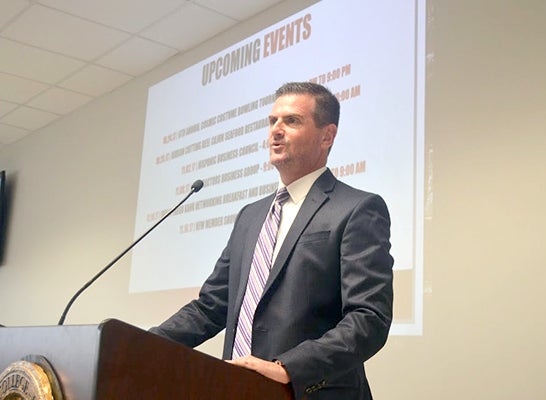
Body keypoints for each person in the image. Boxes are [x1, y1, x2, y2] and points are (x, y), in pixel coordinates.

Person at [150, 82, 394, 399]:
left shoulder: (357, 209)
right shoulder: (250, 216)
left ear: (327, 136)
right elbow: (211, 307)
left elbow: (369, 318)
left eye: (291, 121)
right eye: (272, 121)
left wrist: (289, 368)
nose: (276, 130)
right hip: (238, 389)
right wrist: (141, 342)